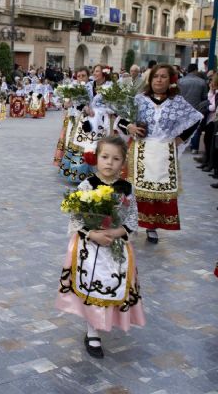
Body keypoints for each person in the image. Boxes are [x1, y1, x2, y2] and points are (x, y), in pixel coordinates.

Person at [55, 136, 145, 359]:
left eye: (116, 159)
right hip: (90, 248)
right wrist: (93, 233)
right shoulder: (87, 185)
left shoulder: (126, 189)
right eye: (105, 157)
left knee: (112, 283)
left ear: (123, 162)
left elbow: (133, 218)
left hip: (116, 248)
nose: (109, 163)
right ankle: (92, 331)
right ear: (96, 158)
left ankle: (108, 320)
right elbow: (76, 217)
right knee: (91, 286)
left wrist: (116, 232)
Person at [119, 64, 203, 243]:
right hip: (140, 150)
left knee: (157, 192)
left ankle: (151, 226)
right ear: (150, 79)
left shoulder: (177, 102)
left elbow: (196, 118)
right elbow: (121, 119)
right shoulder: (139, 99)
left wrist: (181, 138)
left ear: (171, 80)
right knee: (134, 190)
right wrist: (130, 126)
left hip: (164, 153)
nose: (159, 79)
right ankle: (129, 224)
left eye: (163, 76)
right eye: (156, 76)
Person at [178, 63, 209, 154]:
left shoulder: (180, 81)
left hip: (182, 108)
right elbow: (204, 97)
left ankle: (181, 145)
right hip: (196, 108)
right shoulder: (202, 82)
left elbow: (177, 96)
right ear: (196, 70)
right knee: (196, 128)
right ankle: (194, 148)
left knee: (181, 128)